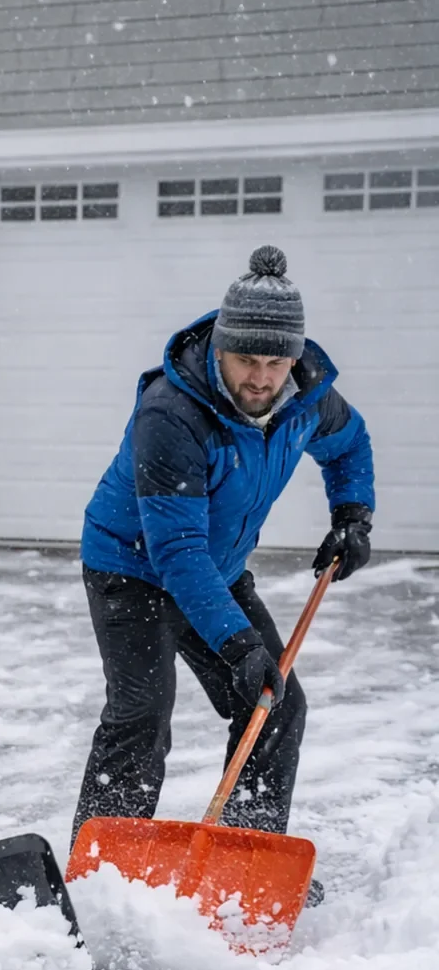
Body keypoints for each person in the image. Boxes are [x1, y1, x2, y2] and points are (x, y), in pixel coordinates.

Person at [71, 244, 374, 869]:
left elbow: (350, 443)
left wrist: (352, 515)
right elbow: (176, 549)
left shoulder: (305, 400)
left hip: (219, 569)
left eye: (276, 360)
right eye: (245, 359)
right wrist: (237, 644)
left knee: (275, 706)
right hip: (131, 568)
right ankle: (101, 873)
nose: (261, 377)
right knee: (142, 715)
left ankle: (243, 859)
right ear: (218, 348)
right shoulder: (172, 413)